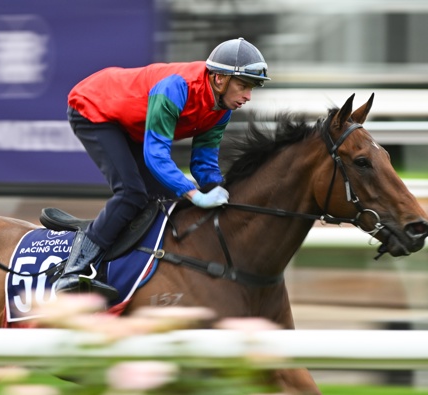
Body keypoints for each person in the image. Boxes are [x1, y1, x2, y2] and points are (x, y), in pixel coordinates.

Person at [55, 37, 270, 300]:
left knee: (164, 200)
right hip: (94, 108)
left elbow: (204, 164)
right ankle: (73, 270)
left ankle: (127, 270)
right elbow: (155, 155)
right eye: (244, 86)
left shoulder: (222, 108)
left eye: (252, 88)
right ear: (219, 79)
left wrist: (222, 191)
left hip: (131, 123)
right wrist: (193, 193)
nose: (248, 97)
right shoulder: (175, 88)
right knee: (131, 193)